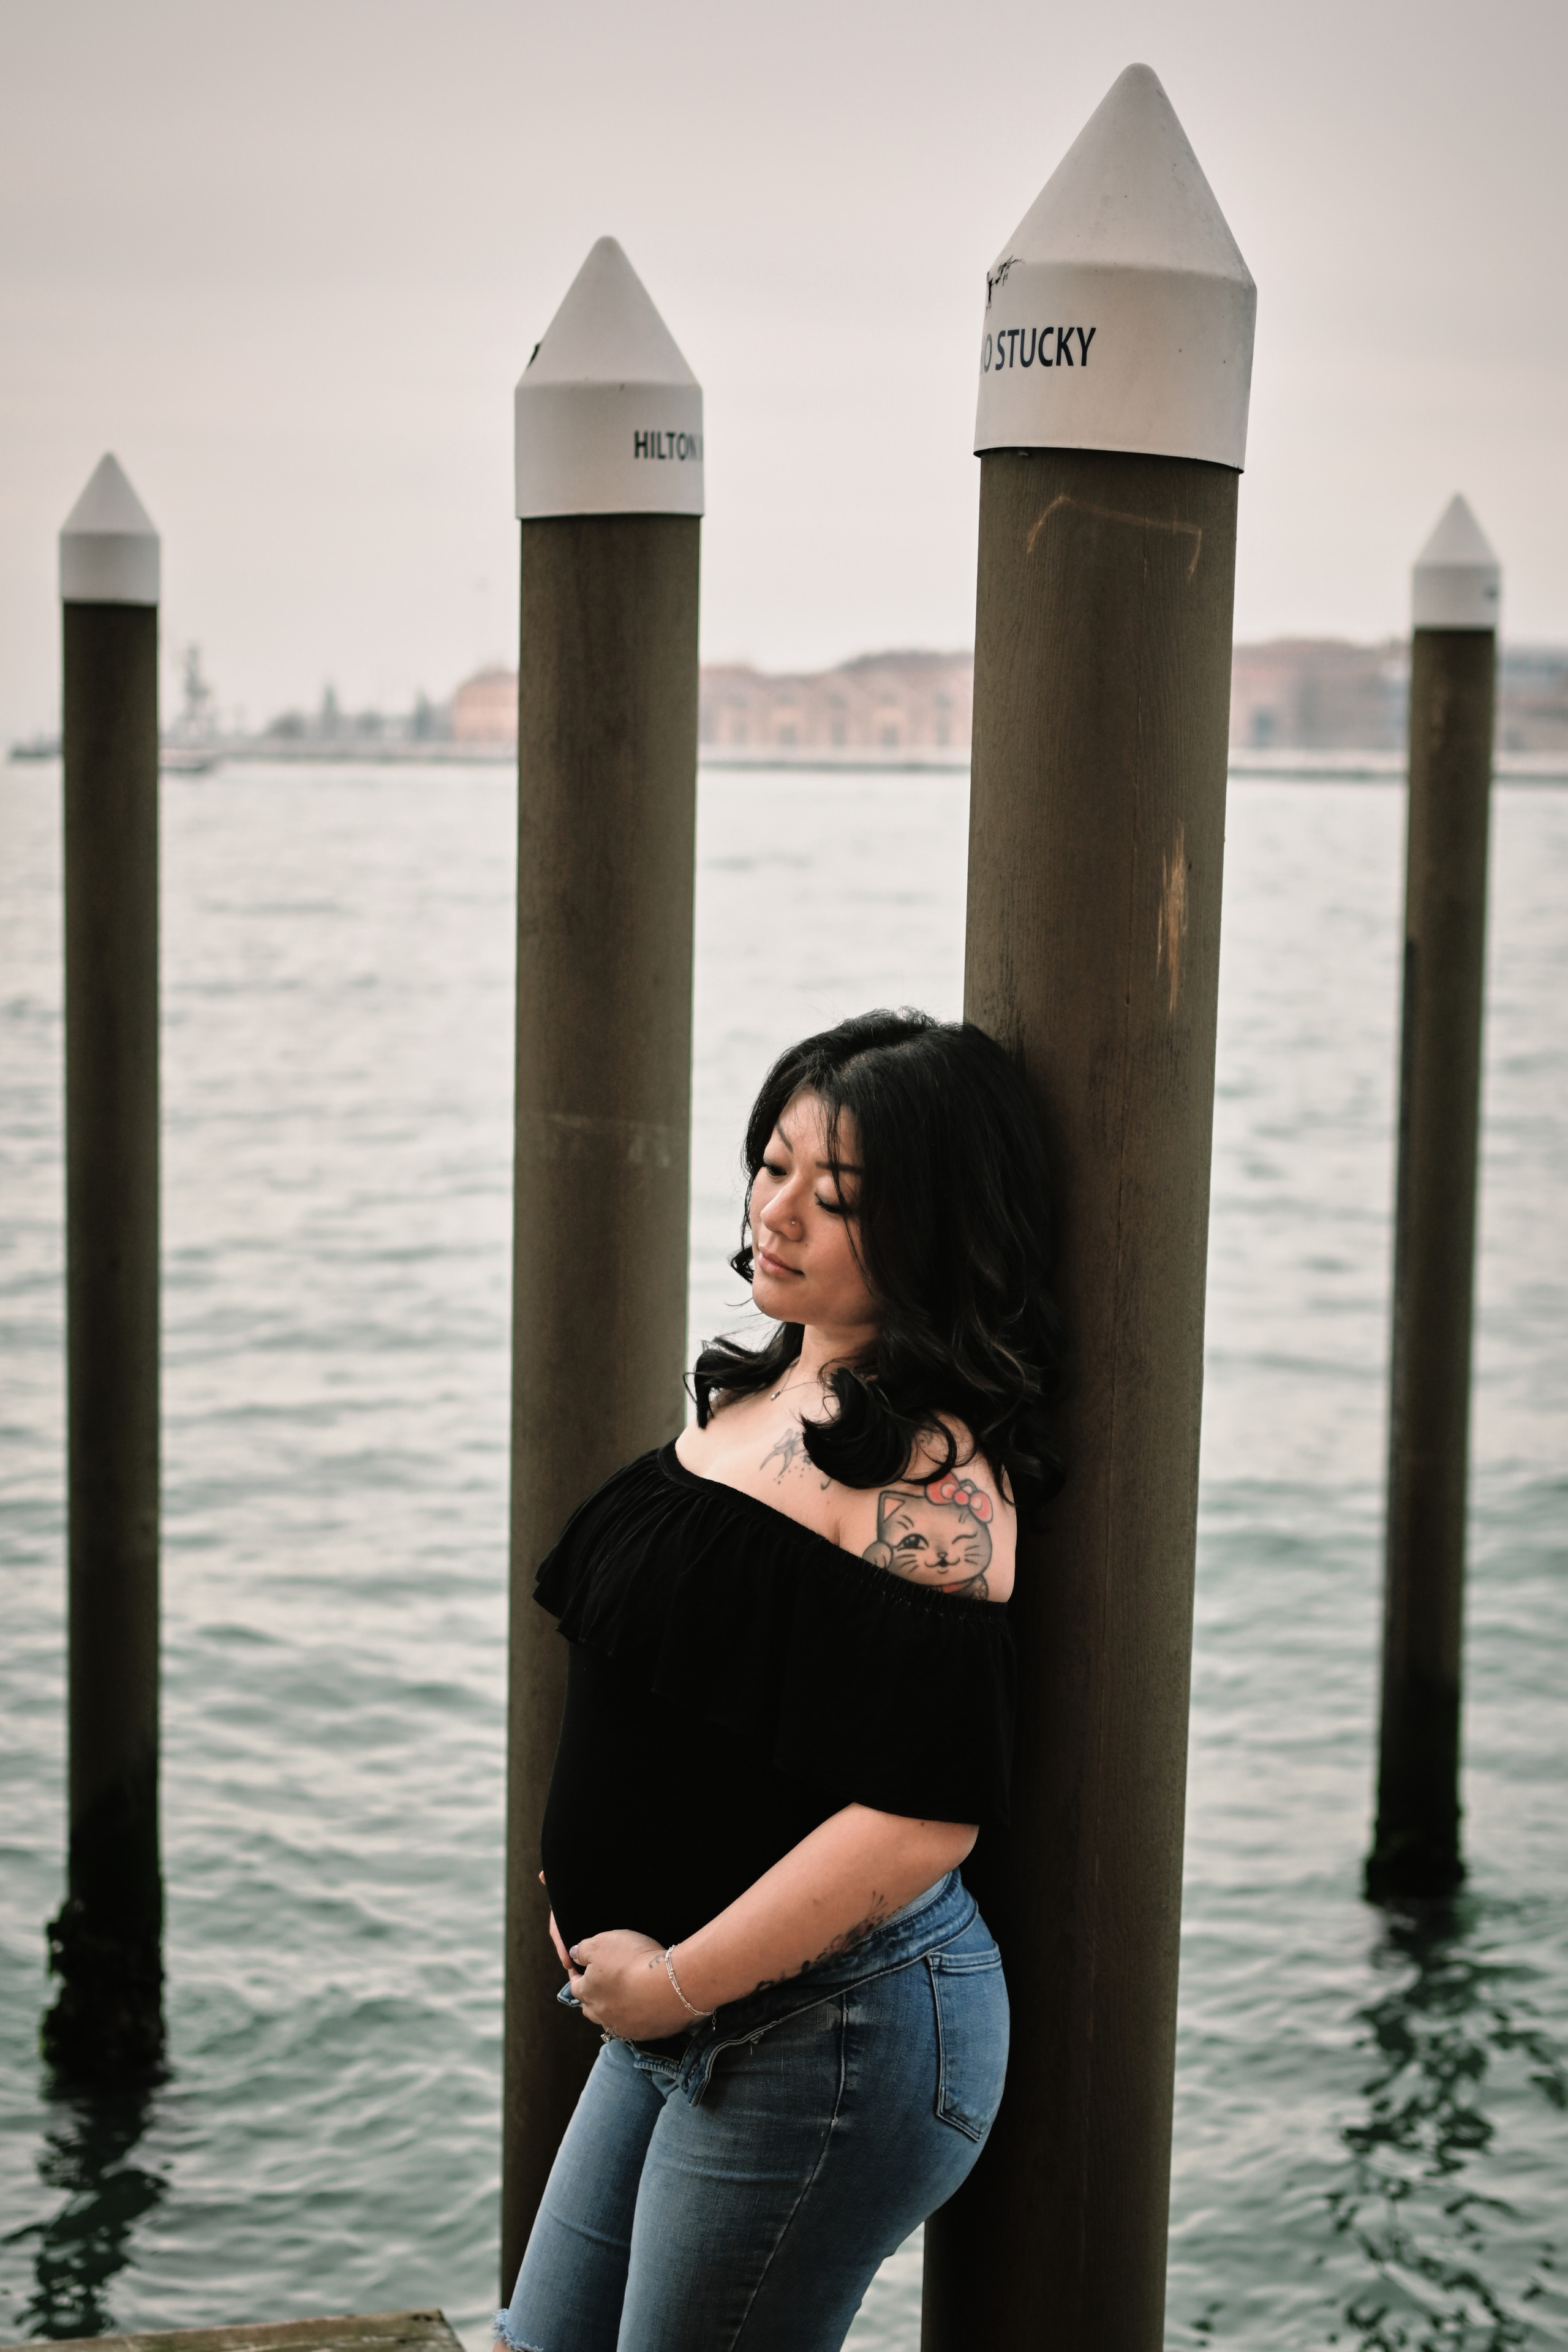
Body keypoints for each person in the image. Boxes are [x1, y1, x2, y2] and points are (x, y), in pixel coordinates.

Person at [495, 1008, 1063, 2352]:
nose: (778, 1210)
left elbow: (924, 1814)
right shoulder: (753, 1398)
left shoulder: (926, 1481)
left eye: (839, 1193)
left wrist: (680, 1978)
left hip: (833, 2032)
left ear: (934, 1225)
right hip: (681, 2011)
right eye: (772, 1164)